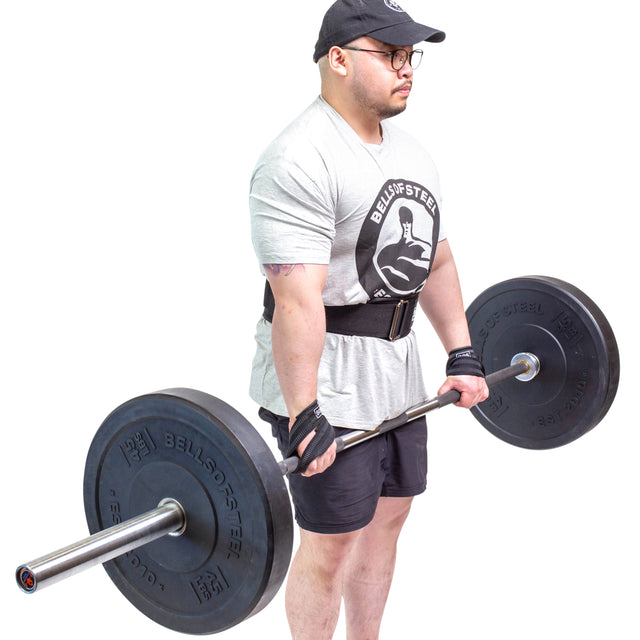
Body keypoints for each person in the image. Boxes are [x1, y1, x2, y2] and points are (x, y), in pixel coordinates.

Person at [249, 1, 489, 637]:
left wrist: (460, 350)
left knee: (388, 523)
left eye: (410, 57)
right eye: (390, 56)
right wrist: (304, 413)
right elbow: (297, 300)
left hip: (396, 372)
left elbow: (435, 263)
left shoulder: (413, 154)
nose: (406, 70)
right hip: (324, 382)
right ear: (338, 60)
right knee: (331, 542)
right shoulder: (298, 158)